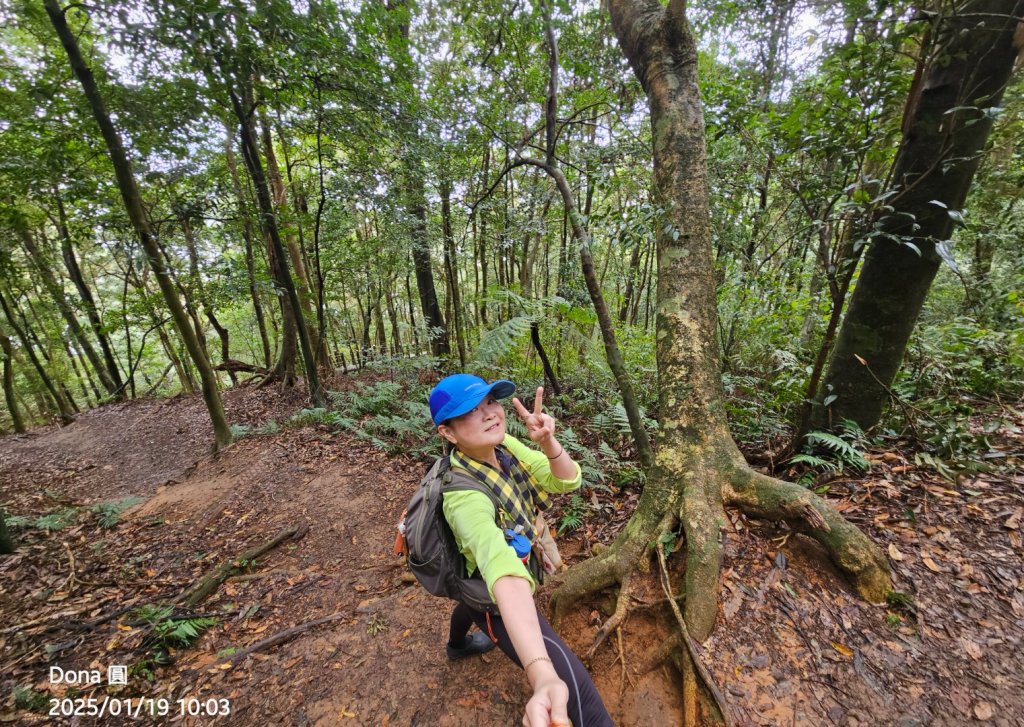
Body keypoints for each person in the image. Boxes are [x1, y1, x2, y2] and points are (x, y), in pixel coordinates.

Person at [429, 373, 614, 727]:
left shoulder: (505, 447)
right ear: (447, 432)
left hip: (475, 573)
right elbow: (505, 574)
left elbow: (567, 478)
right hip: (492, 589)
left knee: (467, 605)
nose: (488, 414)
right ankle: (461, 644)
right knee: (579, 693)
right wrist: (542, 674)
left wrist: (548, 443)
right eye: (470, 410)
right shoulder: (464, 497)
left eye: (490, 402)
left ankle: (456, 646)